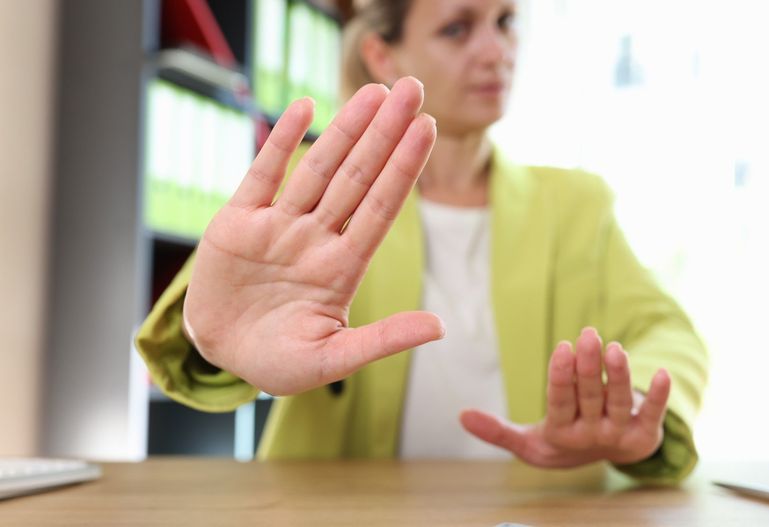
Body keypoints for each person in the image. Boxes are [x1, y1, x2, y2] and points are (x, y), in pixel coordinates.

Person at [136, 0, 708, 484]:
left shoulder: (579, 204)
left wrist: (630, 405)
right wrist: (211, 339)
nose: (496, 51)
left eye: (506, 22)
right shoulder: (312, 194)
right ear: (382, 55)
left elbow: (670, 332)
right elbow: (209, 322)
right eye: (457, 28)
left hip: (542, 509)